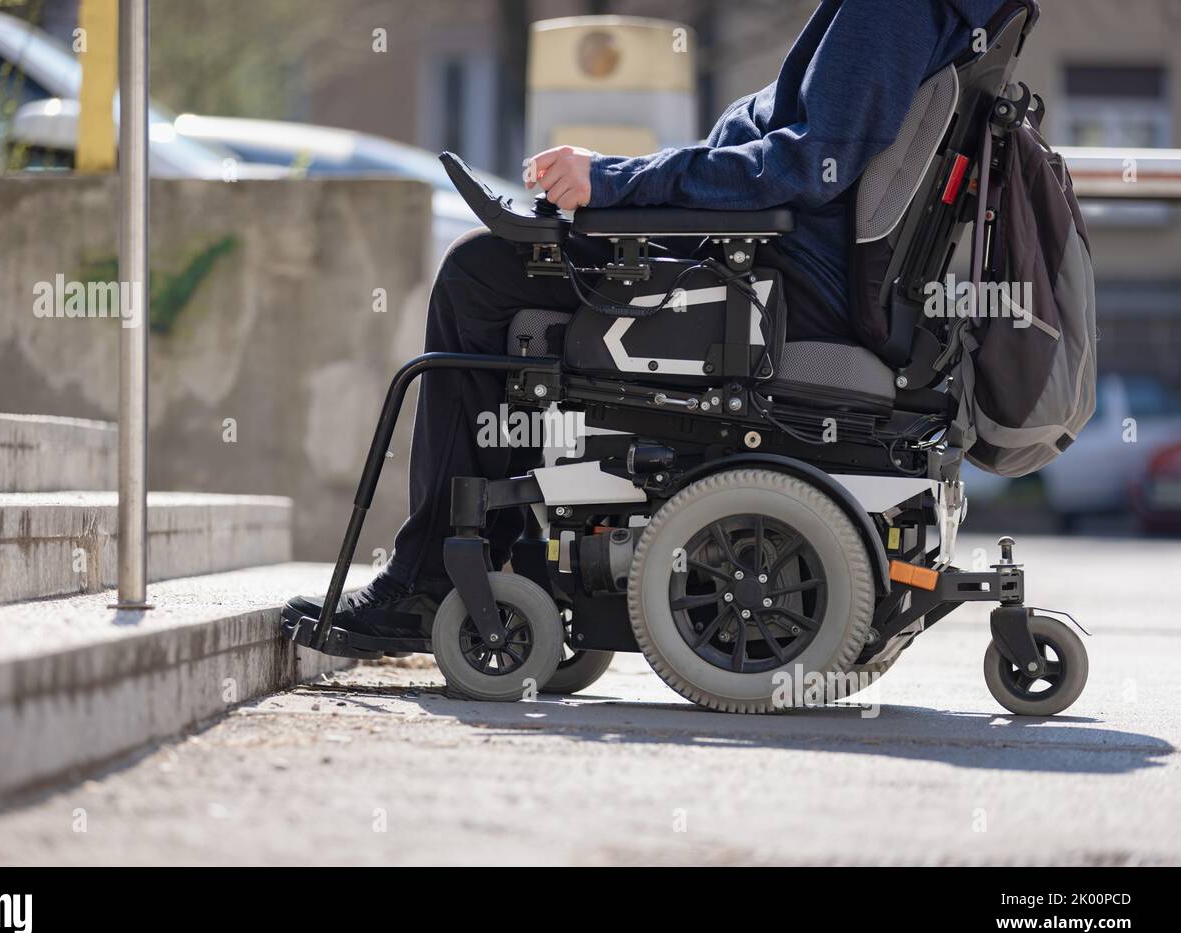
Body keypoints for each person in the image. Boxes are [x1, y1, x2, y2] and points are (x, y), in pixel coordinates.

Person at [286, 0, 1007, 643]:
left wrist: (617, 181)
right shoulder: (960, 14)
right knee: (513, 262)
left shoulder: (895, 9)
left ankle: (426, 584)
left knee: (480, 276)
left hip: (776, 278)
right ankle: (498, 565)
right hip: (797, 267)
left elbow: (806, 165)